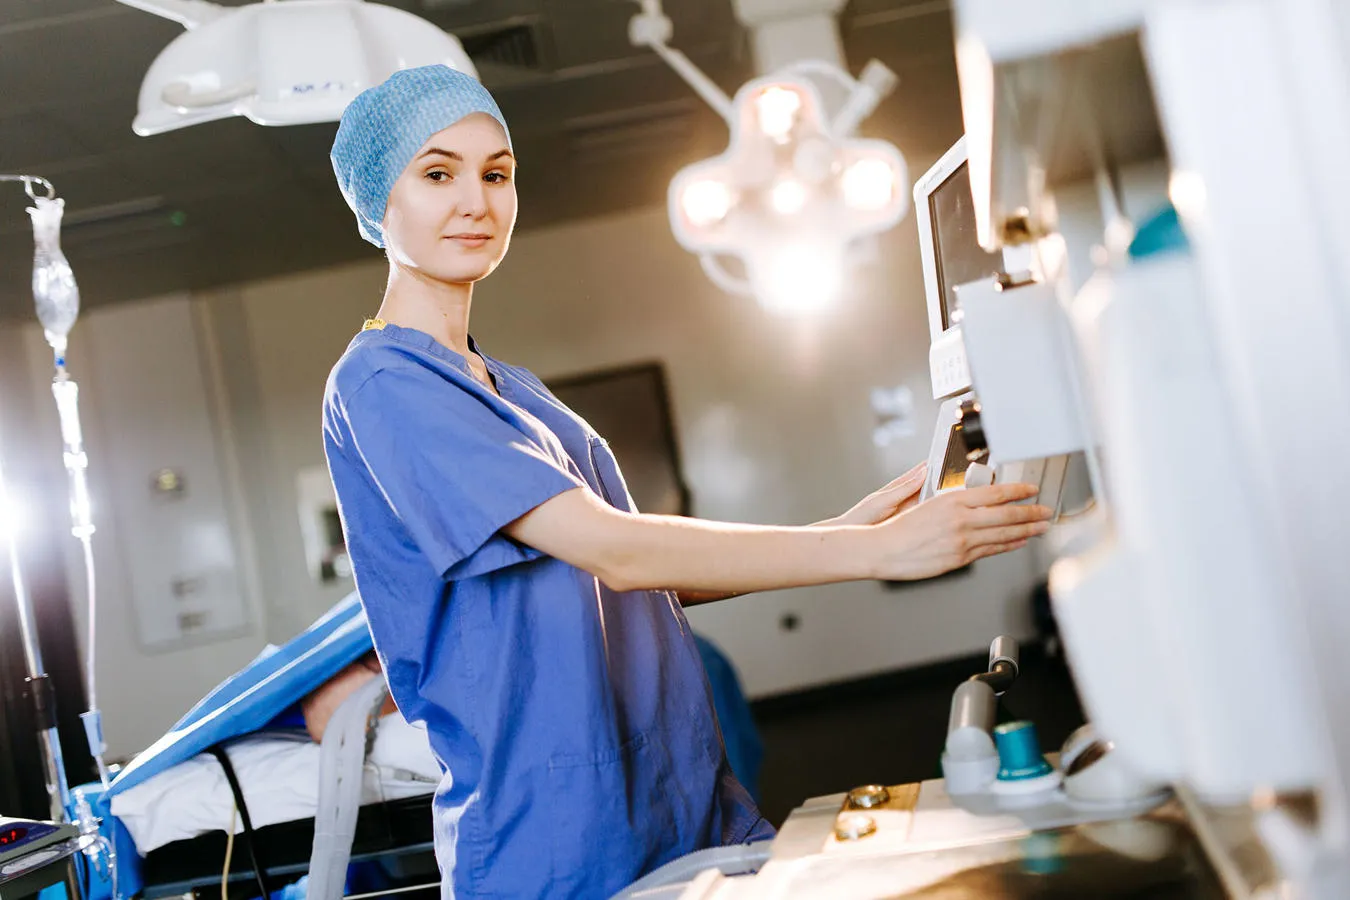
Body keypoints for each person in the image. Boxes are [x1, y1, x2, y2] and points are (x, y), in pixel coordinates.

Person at [322, 65, 1052, 900]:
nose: (476, 201)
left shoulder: (508, 385)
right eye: (438, 173)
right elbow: (613, 550)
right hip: (554, 829)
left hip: (670, 792)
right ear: (381, 201)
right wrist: (870, 552)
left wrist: (840, 527)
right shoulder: (382, 382)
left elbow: (620, 582)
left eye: (497, 174)